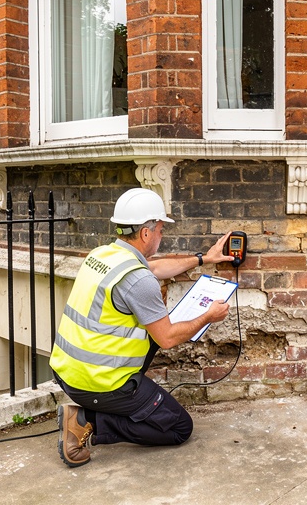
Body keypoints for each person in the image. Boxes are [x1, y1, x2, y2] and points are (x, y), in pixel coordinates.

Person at [50, 187, 234, 467]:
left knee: (151, 336)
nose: (162, 235)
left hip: (68, 372)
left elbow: (155, 269)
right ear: (146, 233)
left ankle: (100, 408)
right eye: (160, 229)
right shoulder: (137, 279)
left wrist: (204, 259)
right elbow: (168, 337)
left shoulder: (102, 255)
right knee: (179, 428)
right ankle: (86, 420)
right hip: (98, 384)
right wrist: (207, 316)